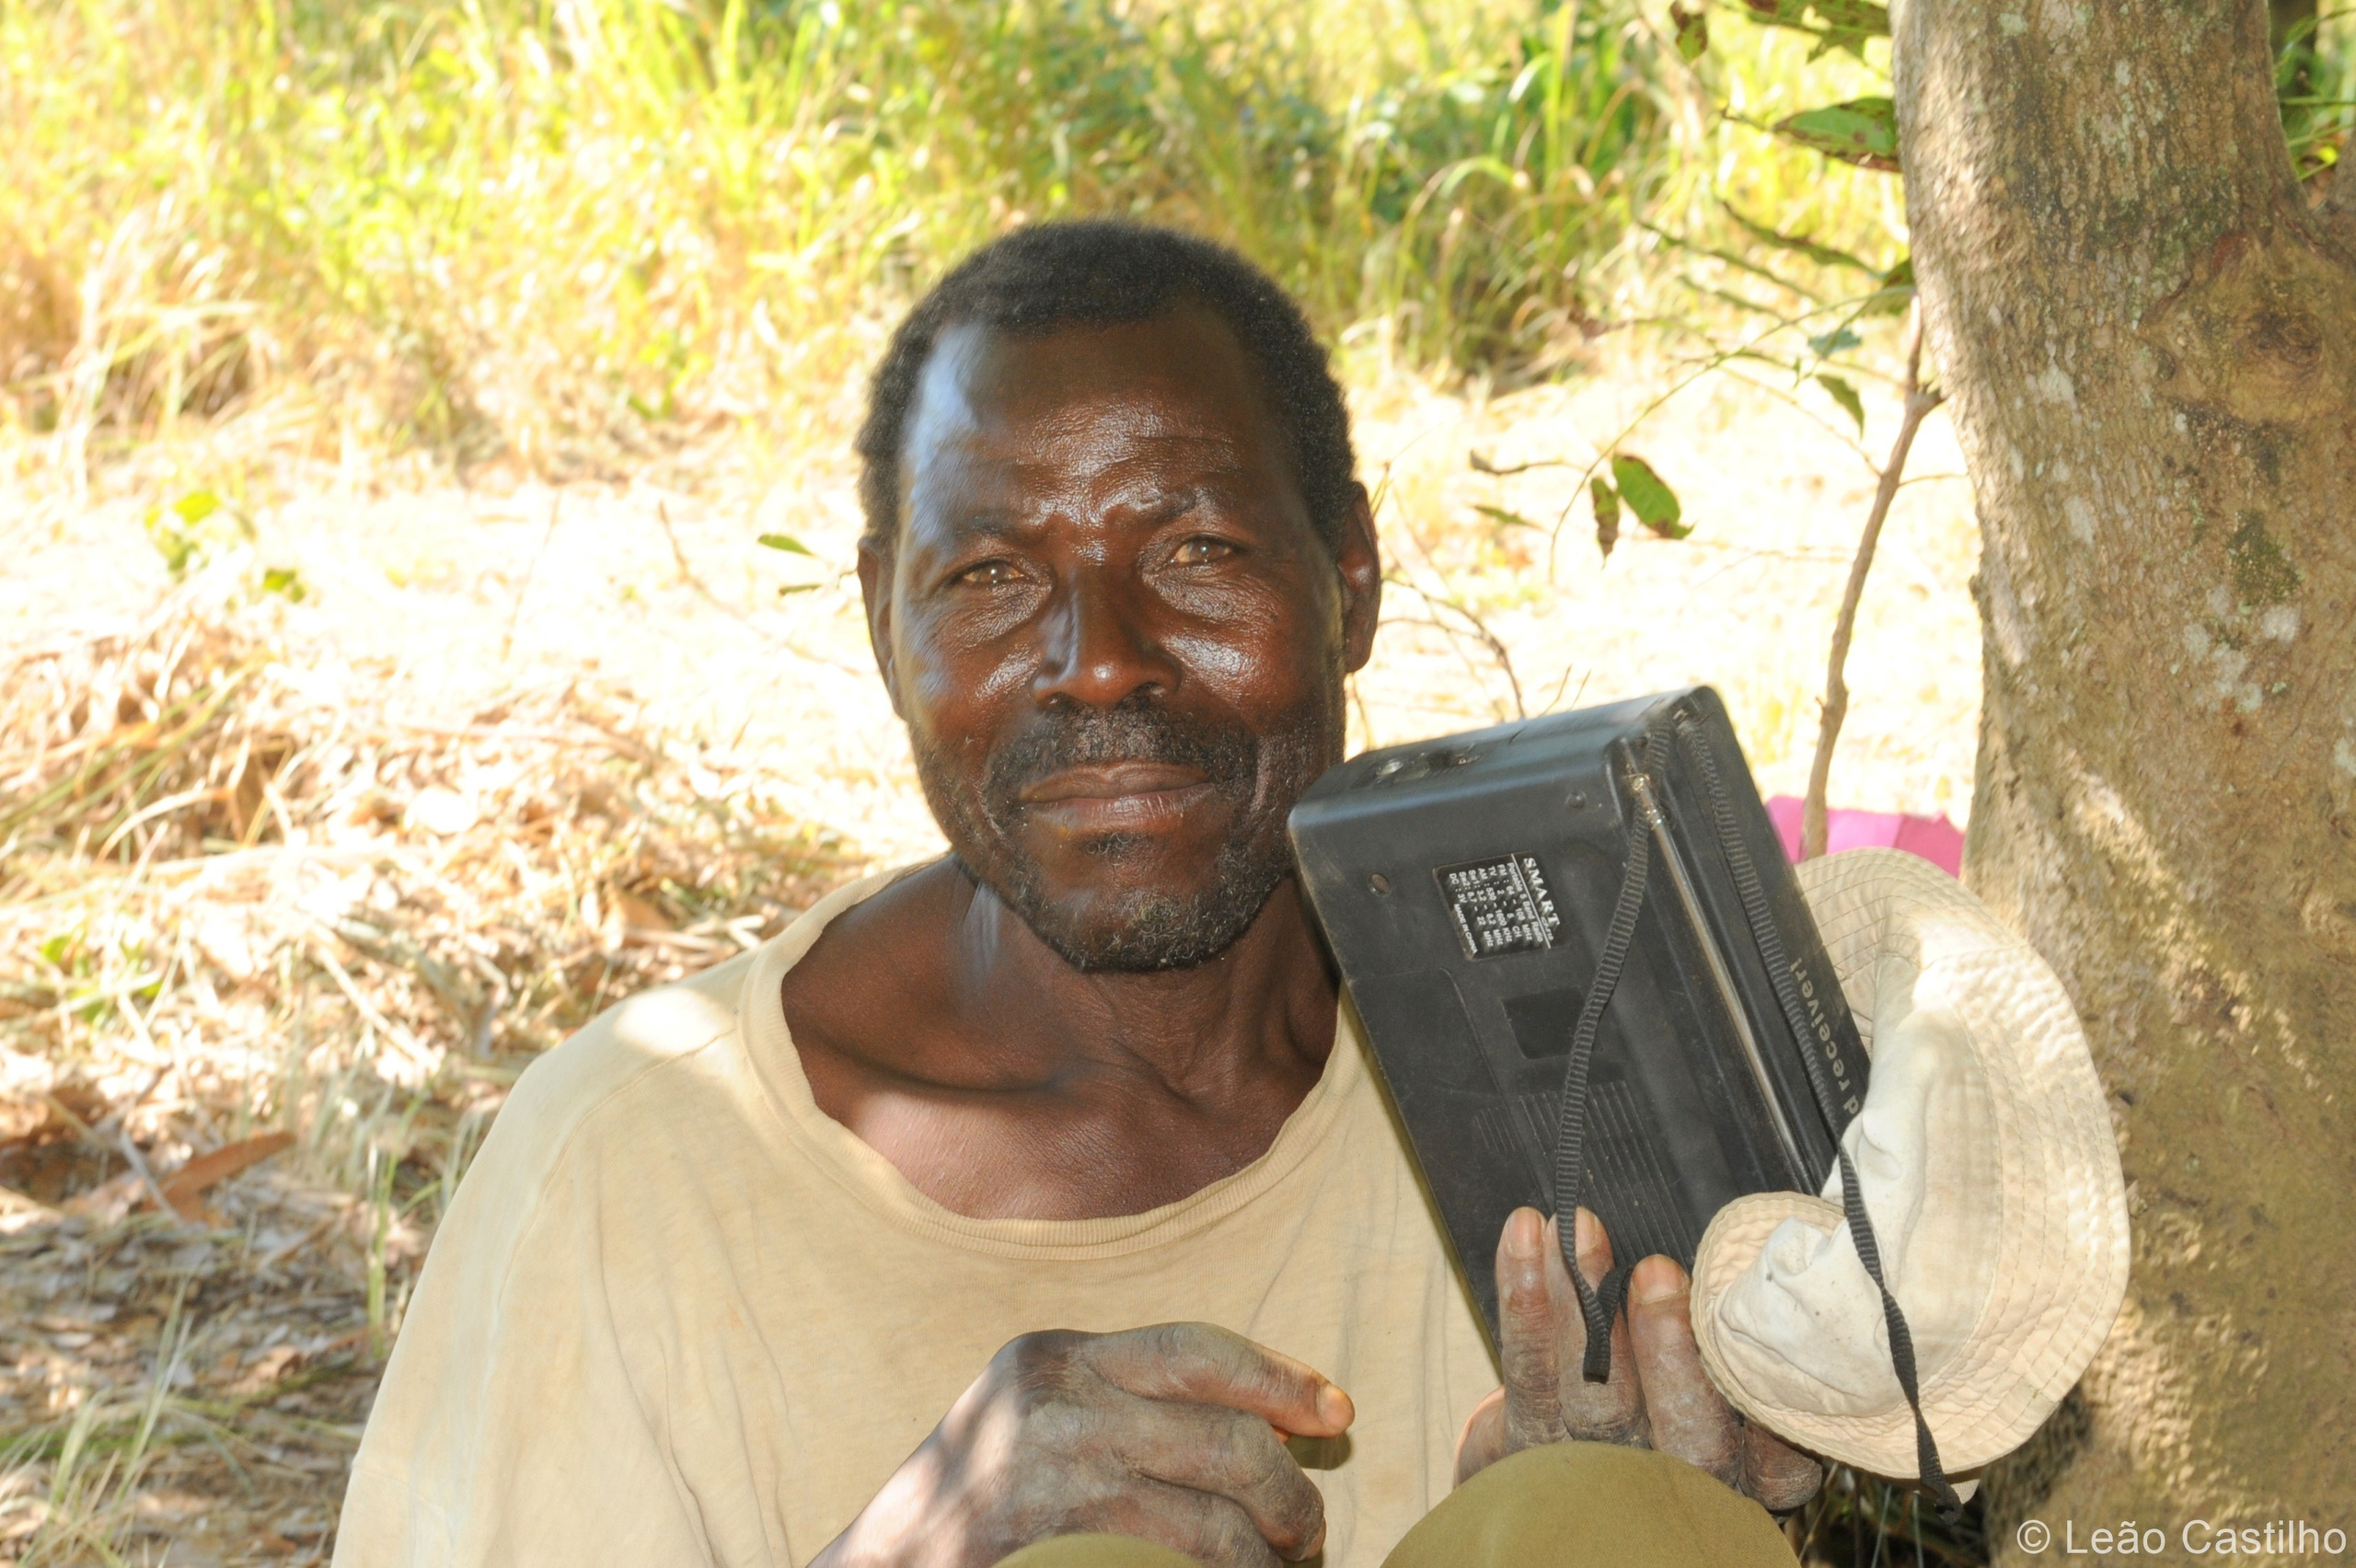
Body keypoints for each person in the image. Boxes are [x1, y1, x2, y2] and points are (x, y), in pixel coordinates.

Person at [330, 222, 2080, 1568]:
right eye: (996, 577)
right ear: (885, 623)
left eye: (1197, 554)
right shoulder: (637, 1163)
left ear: (1354, 582)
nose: (1099, 667)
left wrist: (1694, 1499)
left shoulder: (1565, 1061)